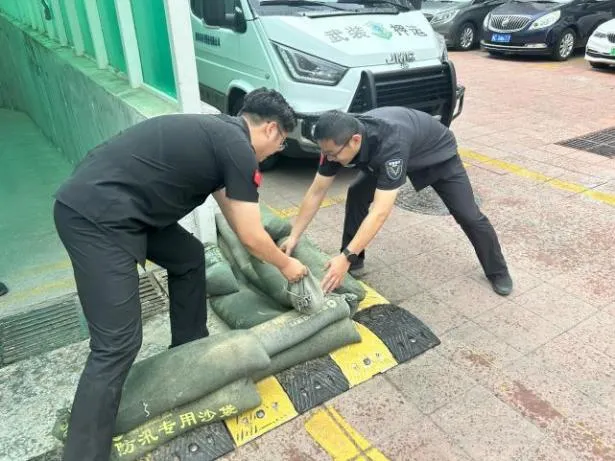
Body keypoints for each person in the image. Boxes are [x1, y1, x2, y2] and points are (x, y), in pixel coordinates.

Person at [53, 88, 308, 461]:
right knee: (117, 344)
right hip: (97, 218)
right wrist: (287, 266)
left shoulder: (221, 135)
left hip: (123, 210)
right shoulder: (237, 148)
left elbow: (237, 217)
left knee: (188, 256)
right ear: (271, 129)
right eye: (281, 143)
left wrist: (264, 246)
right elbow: (251, 236)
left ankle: (188, 352)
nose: (276, 151)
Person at [281, 107, 513, 297]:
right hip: (401, 149)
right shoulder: (335, 142)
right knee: (357, 192)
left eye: (333, 154)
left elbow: (380, 212)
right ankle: (354, 259)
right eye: (325, 153)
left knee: (468, 215)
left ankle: (498, 270)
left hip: (436, 155)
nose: (329, 158)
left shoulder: (390, 144)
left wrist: (344, 258)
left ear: (355, 140)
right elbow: (316, 191)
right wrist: (294, 235)